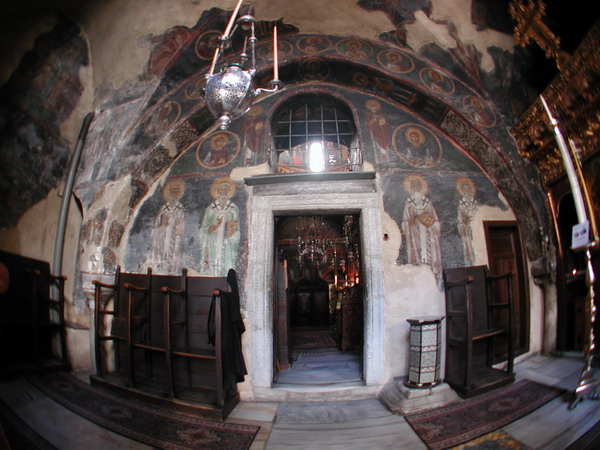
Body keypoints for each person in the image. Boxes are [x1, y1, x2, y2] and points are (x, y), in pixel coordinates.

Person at [401, 175, 443, 285]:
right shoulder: (409, 202)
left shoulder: (427, 202)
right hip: (415, 234)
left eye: (417, 185)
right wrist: (412, 222)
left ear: (421, 187)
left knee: (430, 258)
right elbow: (405, 221)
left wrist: (430, 223)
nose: (415, 187)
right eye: (413, 185)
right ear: (410, 188)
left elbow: (435, 220)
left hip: (429, 235)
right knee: (418, 257)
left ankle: (433, 279)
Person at [199, 177, 240, 276]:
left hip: (226, 244)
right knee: (212, 269)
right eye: (221, 190)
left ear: (229, 192)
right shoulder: (210, 209)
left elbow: (237, 230)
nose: (223, 192)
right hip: (212, 243)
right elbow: (203, 228)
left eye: (226, 190)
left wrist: (230, 239)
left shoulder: (233, 209)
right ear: (217, 191)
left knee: (225, 270)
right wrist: (214, 227)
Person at [149, 179, 186, 274]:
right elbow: (156, 226)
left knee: (172, 258)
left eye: (176, 193)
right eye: (172, 192)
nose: (173, 195)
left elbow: (180, 229)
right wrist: (162, 228)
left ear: (178, 195)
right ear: (169, 193)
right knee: (162, 259)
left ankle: (172, 271)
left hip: (173, 240)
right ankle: (160, 269)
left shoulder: (180, 209)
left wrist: (177, 239)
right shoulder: (163, 208)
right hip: (162, 239)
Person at [456, 177, 478, 266]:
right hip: (467, 228)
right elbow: (459, 218)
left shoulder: (475, 202)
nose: (466, 190)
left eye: (467, 188)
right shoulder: (461, 202)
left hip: (476, 227)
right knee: (468, 247)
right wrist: (464, 224)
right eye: (464, 189)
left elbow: (479, 213)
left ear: (470, 189)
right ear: (462, 190)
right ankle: (470, 263)